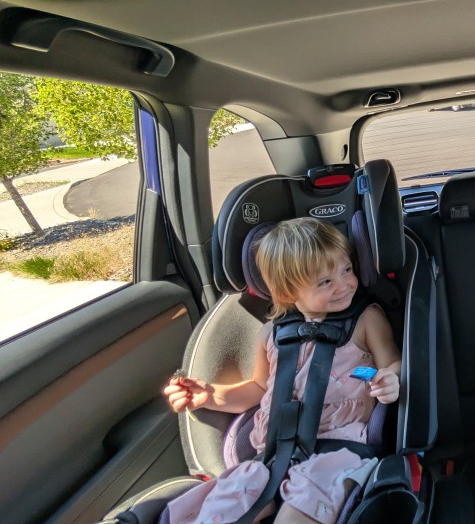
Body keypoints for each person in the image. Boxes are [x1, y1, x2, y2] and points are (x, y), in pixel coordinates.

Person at [163, 218, 401, 524]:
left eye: (347, 269)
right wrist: (210, 395)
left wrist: (391, 378)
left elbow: (393, 360)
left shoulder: (367, 318)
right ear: (288, 292)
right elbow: (260, 390)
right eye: (325, 282)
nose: (344, 284)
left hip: (340, 450)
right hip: (272, 456)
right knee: (219, 508)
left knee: (303, 505)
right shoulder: (272, 333)